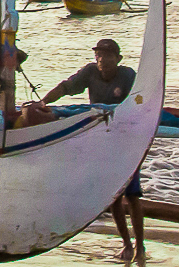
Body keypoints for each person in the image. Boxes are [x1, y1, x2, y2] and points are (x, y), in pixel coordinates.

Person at [43, 38, 145, 255]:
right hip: (102, 140)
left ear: (118, 59)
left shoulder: (127, 75)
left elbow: (142, 99)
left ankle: (140, 245)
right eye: (98, 55)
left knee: (133, 195)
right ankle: (126, 244)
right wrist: (43, 103)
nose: (102, 60)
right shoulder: (90, 72)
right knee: (114, 196)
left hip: (127, 141)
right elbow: (65, 87)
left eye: (107, 56)